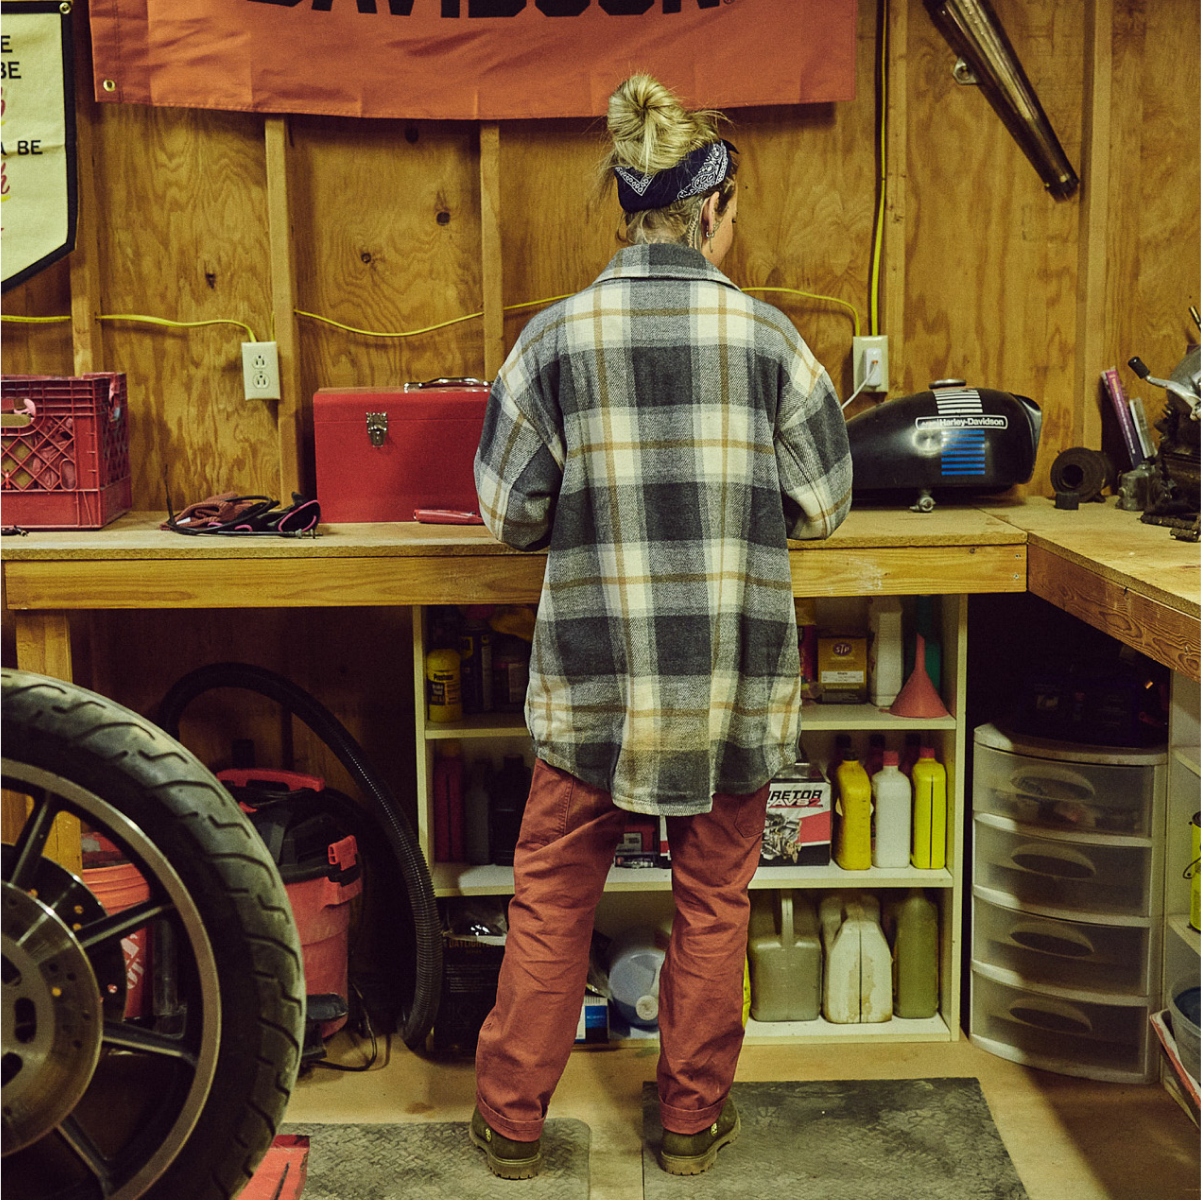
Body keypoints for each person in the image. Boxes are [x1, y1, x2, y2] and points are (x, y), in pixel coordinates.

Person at [469, 73, 852, 1180]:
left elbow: (507, 516)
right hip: (729, 685)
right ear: (714, 209)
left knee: (550, 892)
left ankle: (510, 1123)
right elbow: (824, 506)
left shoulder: (552, 341)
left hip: (593, 685)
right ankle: (688, 1121)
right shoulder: (771, 341)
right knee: (712, 898)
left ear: (624, 205)